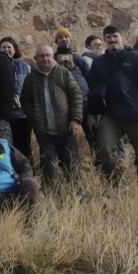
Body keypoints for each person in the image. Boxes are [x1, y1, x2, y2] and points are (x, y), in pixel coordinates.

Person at [86, 25, 138, 185]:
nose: (112, 40)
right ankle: (115, 184)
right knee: (104, 148)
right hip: (111, 116)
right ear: (104, 40)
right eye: (108, 37)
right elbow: (93, 89)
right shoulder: (99, 63)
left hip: (136, 114)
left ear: (122, 37)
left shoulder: (137, 58)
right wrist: (91, 113)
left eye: (115, 36)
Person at [20, 44, 84, 187]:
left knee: (72, 163)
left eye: (48, 55)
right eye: (41, 56)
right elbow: (25, 100)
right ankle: (52, 196)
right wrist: (34, 118)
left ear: (52, 56)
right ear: (35, 58)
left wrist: (75, 119)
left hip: (66, 128)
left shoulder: (63, 72)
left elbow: (76, 95)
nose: (45, 58)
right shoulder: (31, 78)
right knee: (48, 165)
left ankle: (78, 195)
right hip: (45, 132)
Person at [1, 37, 33, 160]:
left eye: (9, 47)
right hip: (6, 115)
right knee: (7, 146)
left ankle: (28, 175)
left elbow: (29, 87)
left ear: (14, 50)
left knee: (25, 146)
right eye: (3, 47)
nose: (6, 49)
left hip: (22, 114)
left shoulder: (25, 66)